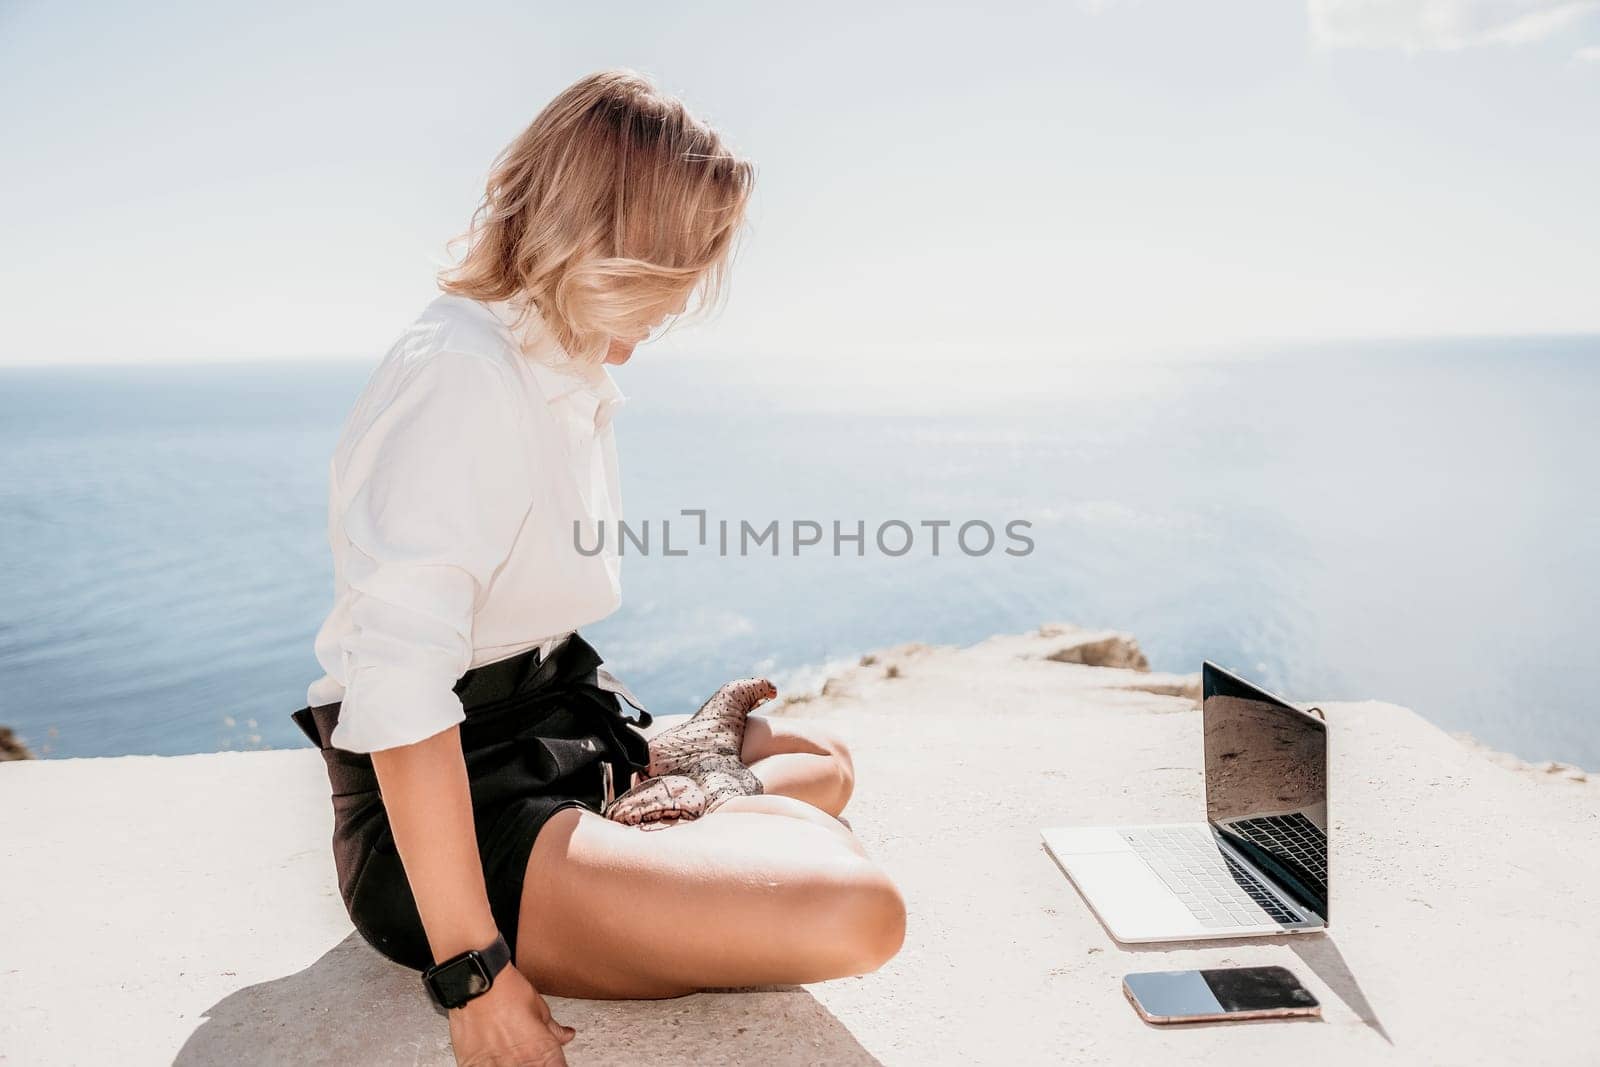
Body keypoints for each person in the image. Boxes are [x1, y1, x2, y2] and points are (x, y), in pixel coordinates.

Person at [293, 69, 905, 1066]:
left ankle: (666, 795)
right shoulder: (463, 376)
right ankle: (669, 815)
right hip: (466, 812)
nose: (680, 305)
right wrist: (473, 973)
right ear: (610, 246)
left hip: (555, 731)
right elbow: (397, 690)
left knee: (820, 761)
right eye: (675, 272)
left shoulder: (557, 359)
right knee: (859, 908)